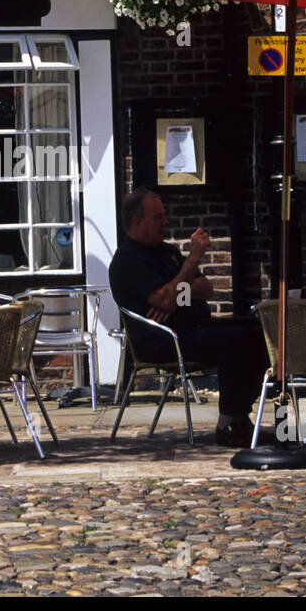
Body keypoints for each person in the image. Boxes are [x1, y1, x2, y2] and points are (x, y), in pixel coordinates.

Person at [108, 188, 260, 447]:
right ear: (137, 222)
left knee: (257, 331)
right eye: (158, 217)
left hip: (191, 329)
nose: (165, 222)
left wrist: (174, 295)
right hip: (163, 342)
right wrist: (192, 261)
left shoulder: (166, 252)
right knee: (236, 340)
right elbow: (169, 298)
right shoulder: (127, 262)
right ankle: (227, 424)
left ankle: (239, 418)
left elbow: (206, 288)